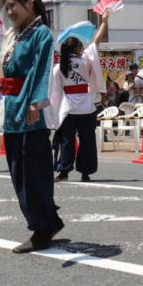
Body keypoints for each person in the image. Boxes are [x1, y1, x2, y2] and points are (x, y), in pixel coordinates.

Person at [0, 0, 63, 253]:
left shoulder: (40, 33)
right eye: (6, 7)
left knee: (31, 174)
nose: (8, 10)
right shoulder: (14, 33)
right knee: (21, 172)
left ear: (30, 4)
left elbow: (41, 69)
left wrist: (35, 100)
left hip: (30, 110)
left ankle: (42, 229)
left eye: (14, 6)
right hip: (13, 109)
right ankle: (48, 220)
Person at [51, 12, 109, 182]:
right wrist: (104, 22)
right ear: (77, 49)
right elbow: (96, 42)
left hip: (67, 108)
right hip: (86, 106)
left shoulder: (58, 67)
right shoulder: (84, 61)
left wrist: (53, 114)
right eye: (80, 47)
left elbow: (55, 92)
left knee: (67, 141)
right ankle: (86, 172)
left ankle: (64, 171)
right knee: (87, 141)